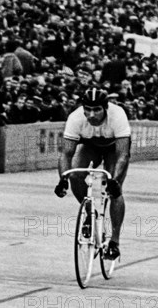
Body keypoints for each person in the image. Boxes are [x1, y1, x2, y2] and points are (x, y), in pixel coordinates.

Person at [54, 87, 131, 261]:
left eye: (96, 110)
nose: (91, 114)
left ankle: (114, 242)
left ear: (105, 108)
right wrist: (63, 179)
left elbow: (123, 155)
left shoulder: (117, 115)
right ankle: (90, 212)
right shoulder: (75, 117)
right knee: (75, 173)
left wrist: (115, 181)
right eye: (87, 109)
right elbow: (66, 154)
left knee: (115, 190)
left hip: (114, 149)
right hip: (90, 146)